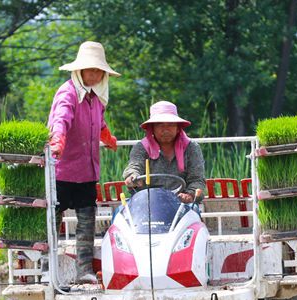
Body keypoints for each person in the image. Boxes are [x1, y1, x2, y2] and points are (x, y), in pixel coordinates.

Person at [47, 41, 120, 284]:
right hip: (62, 171)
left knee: (87, 222)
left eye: (99, 71)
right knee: (52, 222)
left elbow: (99, 124)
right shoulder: (68, 92)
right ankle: (49, 270)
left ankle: (84, 271)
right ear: (79, 71)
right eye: (90, 70)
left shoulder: (96, 98)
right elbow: (61, 119)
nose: (95, 74)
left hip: (87, 172)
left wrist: (108, 138)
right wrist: (57, 141)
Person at [122, 101, 206, 203]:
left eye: (171, 124)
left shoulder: (191, 147)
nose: (165, 130)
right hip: (147, 203)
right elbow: (134, 167)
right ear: (152, 128)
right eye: (159, 124)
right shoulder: (141, 147)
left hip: (182, 205)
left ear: (178, 127)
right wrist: (133, 177)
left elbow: (197, 180)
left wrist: (190, 195)